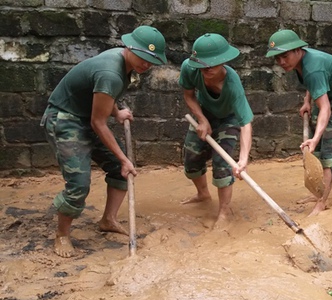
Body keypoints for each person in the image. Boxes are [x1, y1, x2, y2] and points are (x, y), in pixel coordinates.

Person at [41, 25, 167, 258]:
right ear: (129, 47)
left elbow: (101, 95)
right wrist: (123, 158)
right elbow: (97, 123)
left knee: (120, 172)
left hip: (84, 115)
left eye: (152, 60)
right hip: (65, 119)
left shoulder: (122, 62)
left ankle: (108, 220)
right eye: (143, 57)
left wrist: (117, 112)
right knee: (79, 183)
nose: (146, 64)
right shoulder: (111, 72)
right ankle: (62, 235)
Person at [266, 29, 332, 216]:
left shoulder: (313, 67)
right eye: (277, 58)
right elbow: (314, 83)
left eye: (284, 56)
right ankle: (319, 192)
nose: (281, 62)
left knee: (326, 152)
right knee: (315, 154)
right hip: (329, 95)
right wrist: (307, 101)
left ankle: (322, 202)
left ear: (298, 50)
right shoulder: (302, 64)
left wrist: (315, 138)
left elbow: (325, 107)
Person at [179, 33, 253, 229]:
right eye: (201, 65)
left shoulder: (232, 84)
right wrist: (202, 120)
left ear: (223, 61)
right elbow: (188, 95)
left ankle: (224, 211)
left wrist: (243, 160)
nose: (206, 69)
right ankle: (203, 194)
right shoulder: (189, 67)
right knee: (191, 159)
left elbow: (246, 122)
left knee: (222, 165)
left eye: (211, 64)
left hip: (228, 119)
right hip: (203, 113)